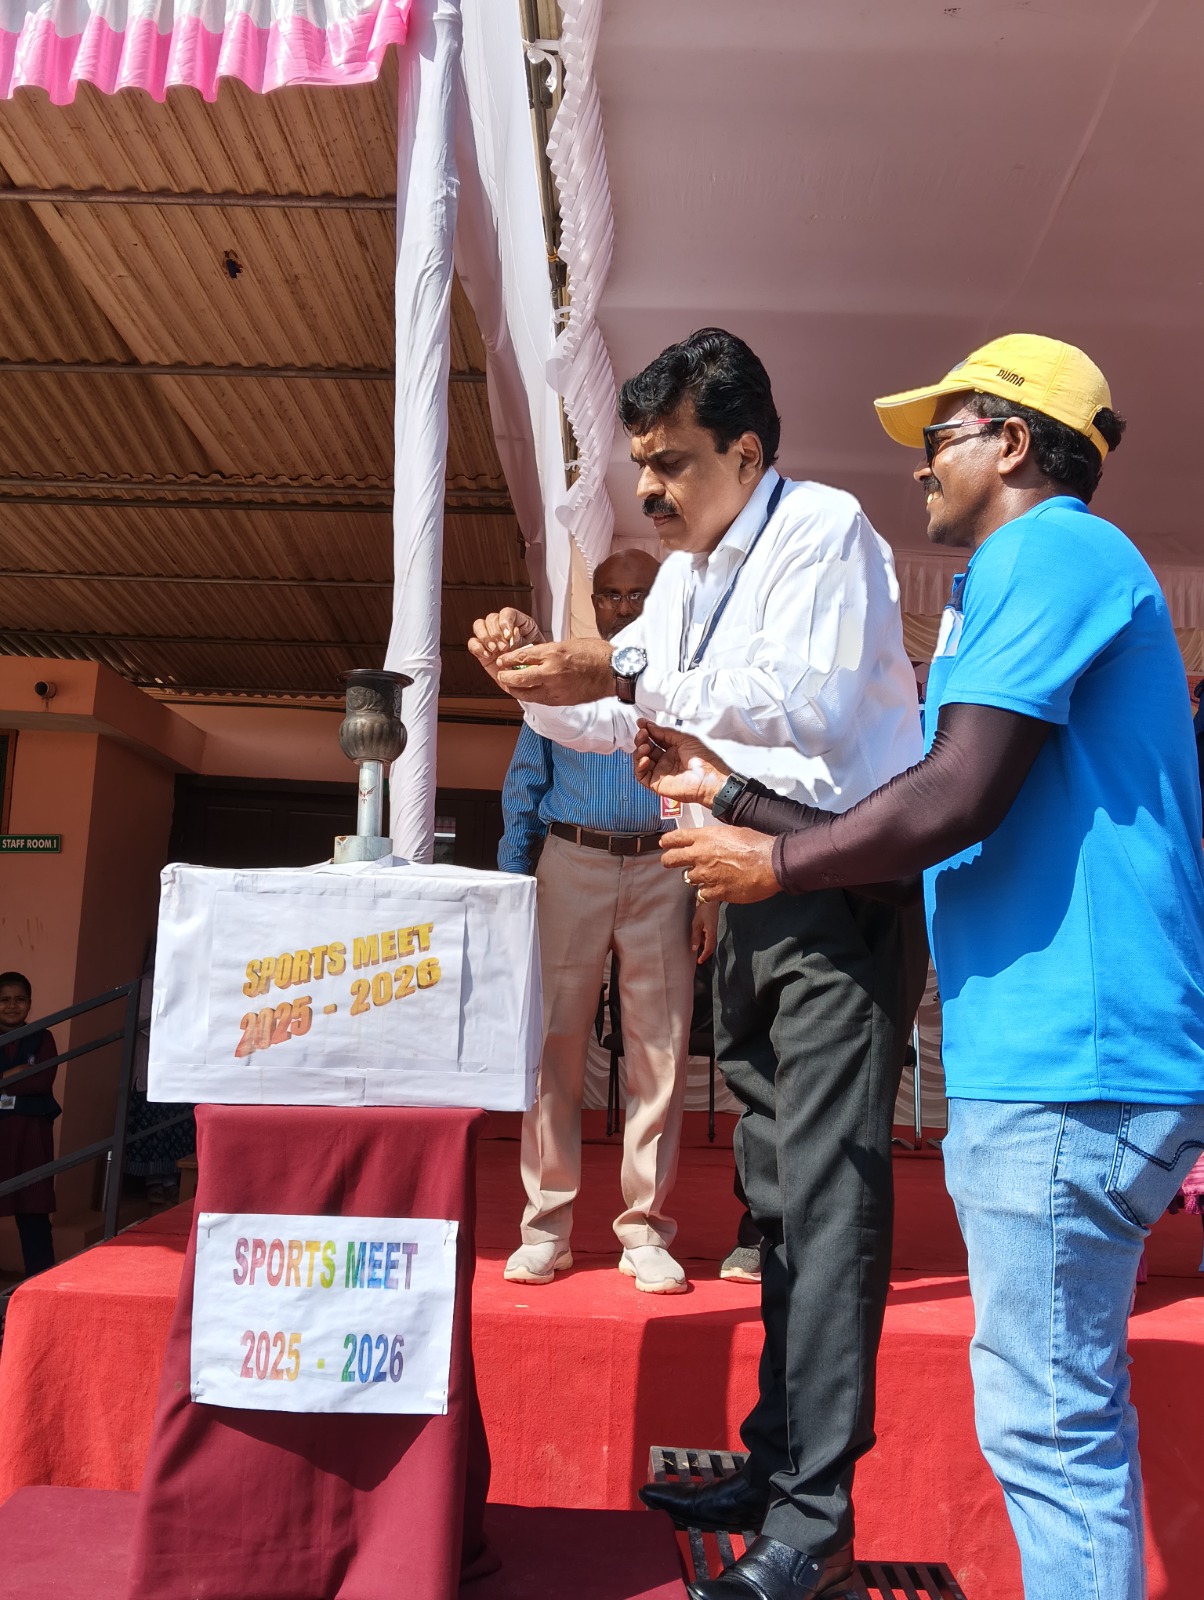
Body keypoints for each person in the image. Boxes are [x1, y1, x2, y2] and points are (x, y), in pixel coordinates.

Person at [634, 334, 1204, 1600]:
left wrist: (774, 864)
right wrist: (732, 797)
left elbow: (950, 796)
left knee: (1051, 1433)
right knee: (1060, 1421)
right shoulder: (1032, 576)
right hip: (1055, 1065)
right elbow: (921, 848)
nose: (920, 469)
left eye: (939, 439)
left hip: (1072, 1066)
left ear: (1013, 441)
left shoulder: (1048, 553)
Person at [470, 328, 926, 1600]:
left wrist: (618, 660)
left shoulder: (825, 530)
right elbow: (619, 717)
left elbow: (805, 703)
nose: (651, 490)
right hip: (738, 877)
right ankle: (774, 1466)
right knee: (773, 1197)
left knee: (827, 1205)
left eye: (671, 463)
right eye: (641, 465)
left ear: (746, 450)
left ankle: (815, 1523)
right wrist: (530, 678)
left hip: (831, 879)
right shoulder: (683, 579)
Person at [498, 548, 715, 1294]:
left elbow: (710, 787)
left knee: (660, 1051)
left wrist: (709, 893)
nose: (625, 606)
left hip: (664, 865)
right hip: (571, 861)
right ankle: (545, 1228)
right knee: (553, 1046)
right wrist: (512, 890)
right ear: (593, 604)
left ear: (661, 599)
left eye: (639, 593)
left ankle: (645, 1230)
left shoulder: (683, 682)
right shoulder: (561, 681)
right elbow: (524, 787)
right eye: (612, 595)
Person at [0, 971, 59, 1278]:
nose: (12, 1006)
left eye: (20, 999)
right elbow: (29, 1079)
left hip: (31, 1136)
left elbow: (41, 1081)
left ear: (30, 1003)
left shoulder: (42, 1037)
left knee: (32, 1209)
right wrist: (15, 1072)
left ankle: (41, 1282)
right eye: (4, 999)